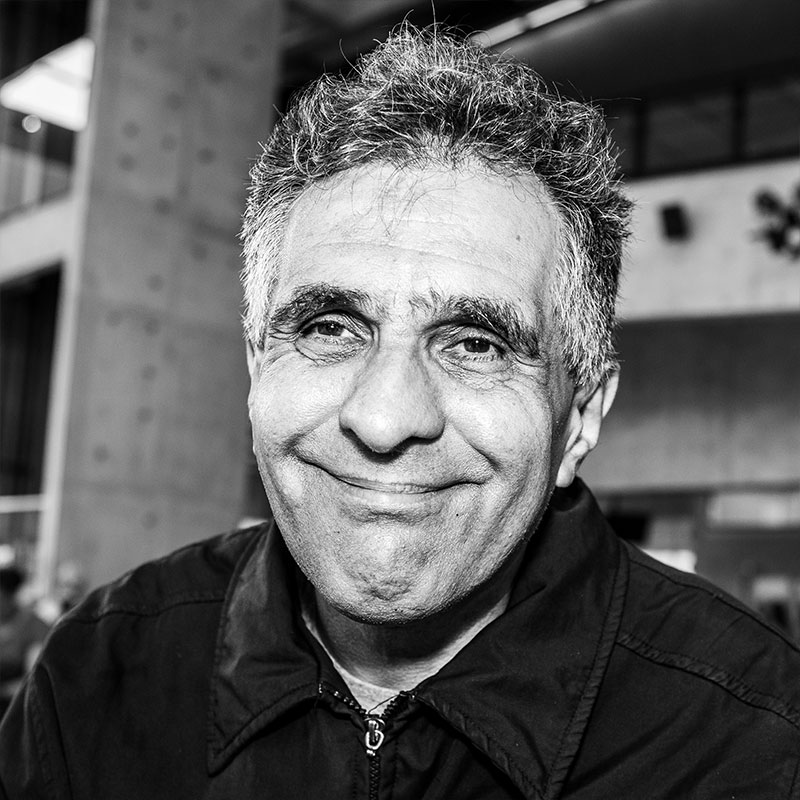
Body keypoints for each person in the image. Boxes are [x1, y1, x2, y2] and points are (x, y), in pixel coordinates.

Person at [1, 24, 799, 799]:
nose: (384, 420)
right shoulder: (99, 678)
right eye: (329, 328)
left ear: (580, 417)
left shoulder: (752, 743)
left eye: (477, 344)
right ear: (256, 367)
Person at [0, 565, 49, 718]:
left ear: (10, 595)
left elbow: (34, 678)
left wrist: (5, 690)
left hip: (12, 705)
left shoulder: (32, 625)